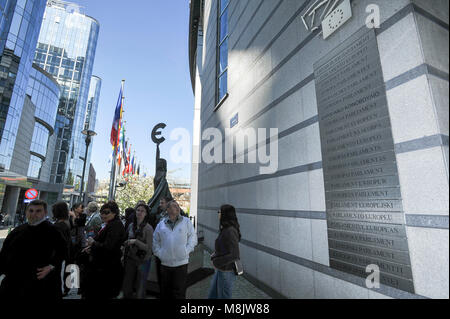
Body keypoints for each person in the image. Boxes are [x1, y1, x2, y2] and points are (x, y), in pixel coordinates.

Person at [0, 200, 68, 299]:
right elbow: (4, 253)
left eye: (38, 211)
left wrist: (51, 266)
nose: (33, 214)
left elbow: (64, 250)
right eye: (31, 211)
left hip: (39, 284)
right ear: (26, 212)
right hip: (14, 282)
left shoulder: (53, 231)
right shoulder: (18, 230)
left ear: (45, 213)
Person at [153, 200, 197, 299]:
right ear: (167, 209)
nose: (177, 207)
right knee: (165, 292)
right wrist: (160, 254)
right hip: (165, 264)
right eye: (173, 206)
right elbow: (155, 240)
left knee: (179, 292)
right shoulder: (161, 224)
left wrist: (187, 250)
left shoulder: (186, 221)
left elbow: (193, 237)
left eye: (177, 206)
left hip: (181, 264)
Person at [82, 201, 126, 299]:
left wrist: (93, 243)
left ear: (114, 213)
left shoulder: (115, 225)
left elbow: (109, 247)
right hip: (103, 267)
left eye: (107, 212)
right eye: (102, 212)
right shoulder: (110, 224)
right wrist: (91, 247)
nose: (103, 215)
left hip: (107, 269)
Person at [208, 205, 241, 299]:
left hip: (226, 270)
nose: (218, 213)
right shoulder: (226, 229)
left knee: (223, 297)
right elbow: (226, 248)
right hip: (222, 270)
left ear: (225, 214)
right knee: (213, 296)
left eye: (219, 212)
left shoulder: (230, 231)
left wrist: (216, 261)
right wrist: (216, 254)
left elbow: (234, 255)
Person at [122, 202, 154, 299]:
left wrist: (135, 241)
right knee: (127, 284)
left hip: (143, 260)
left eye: (142, 211)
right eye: (138, 210)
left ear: (146, 214)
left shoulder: (148, 228)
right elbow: (126, 239)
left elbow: (148, 248)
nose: (140, 212)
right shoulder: (131, 225)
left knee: (140, 286)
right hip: (130, 258)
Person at [52, 201, 73, 296]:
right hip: (65, 254)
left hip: (58, 256)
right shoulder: (66, 223)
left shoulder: (59, 226)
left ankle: (62, 290)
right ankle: (65, 289)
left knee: (56, 275)